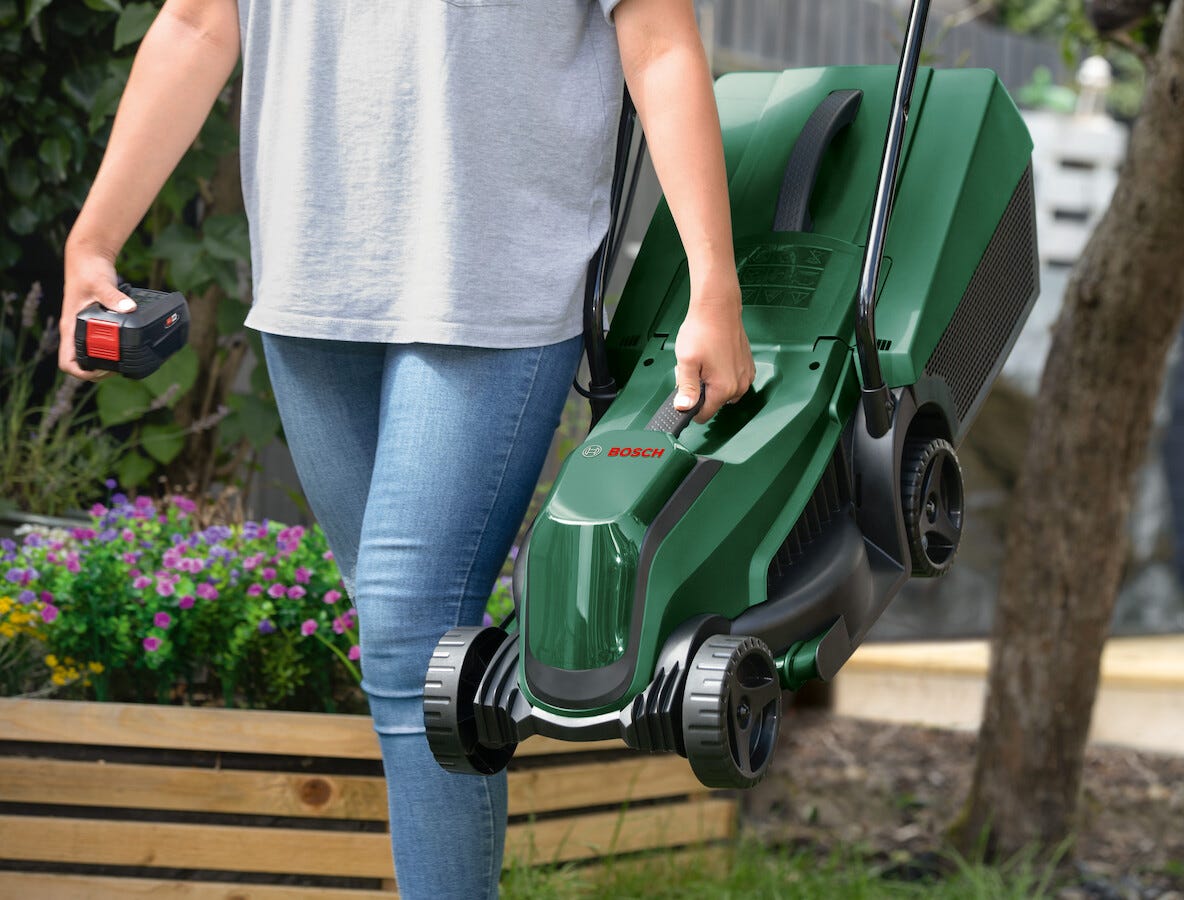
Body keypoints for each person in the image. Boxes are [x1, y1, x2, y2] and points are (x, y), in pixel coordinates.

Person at [59, 1, 754, 896]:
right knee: (415, 653)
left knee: (410, 634)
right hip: (312, 286)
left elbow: (658, 39)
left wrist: (713, 283)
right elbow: (197, 22)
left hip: (490, 283)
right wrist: (94, 239)